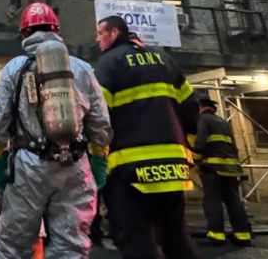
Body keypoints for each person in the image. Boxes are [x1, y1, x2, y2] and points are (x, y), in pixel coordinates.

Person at [0, 2, 112, 259]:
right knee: (71, 246)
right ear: (57, 30)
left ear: (23, 34)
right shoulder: (82, 68)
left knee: (13, 246)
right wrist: (98, 163)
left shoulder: (15, 68)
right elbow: (101, 125)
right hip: (75, 167)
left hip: (29, 168)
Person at [94, 15, 199, 259]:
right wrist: (186, 147)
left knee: (135, 238)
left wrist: (96, 159)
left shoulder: (110, 63)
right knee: (176, 237)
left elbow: (97, 116)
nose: (97, 39)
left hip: (129, 172)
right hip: (174, 169)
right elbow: (191, 107)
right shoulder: (164, 60)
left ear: (114, 33)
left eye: (100, 33)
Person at [194, 95, 251, 246]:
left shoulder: (203, 120)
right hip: (231, 169)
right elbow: (233, 146)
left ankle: (216, 235)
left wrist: (194, 160)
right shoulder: (223, 122)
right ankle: (243, 234)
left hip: (213, 168)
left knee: (212, 201)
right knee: (233, 201)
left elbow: (200, 142)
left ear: (200, 107)